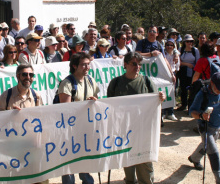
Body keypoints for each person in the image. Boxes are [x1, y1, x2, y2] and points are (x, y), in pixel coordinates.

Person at [107, 52, 166, 184]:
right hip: (123, 131)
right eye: (134, 63)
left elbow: (156, 101)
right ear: (125, 64)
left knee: (144, 162)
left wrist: (161, 98)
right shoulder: (115, 83)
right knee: (127, 161)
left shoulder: (146, 81)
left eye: (139, 64)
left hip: (143, 130)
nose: (137, 67)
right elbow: (110, 106)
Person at [57, 52, 98, 184]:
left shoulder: (91, 81)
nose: (87, 67)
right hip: (70, 130)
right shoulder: (67, 83)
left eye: (88, 64)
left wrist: (94, 101)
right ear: (75, 66)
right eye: (83, 65)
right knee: (69, 163)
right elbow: (66, 109)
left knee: (85, 159)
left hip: (86, 127)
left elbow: (98, 100)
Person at [177, 34, 199, 111]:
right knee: (183, 88)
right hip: (182, 71)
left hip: (192, 72)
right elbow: (177, 61)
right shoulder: (180, 49)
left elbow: (198, 62)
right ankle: (184, 104)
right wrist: (187, 64)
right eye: (188, 41)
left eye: (191, 41)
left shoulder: (195, 50)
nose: (189, 43)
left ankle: (191, 107)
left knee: (191, 89)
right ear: (184, 42)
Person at [163, 38, 180, 121]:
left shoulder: (176, 55)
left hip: (173, 74)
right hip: (164, 75)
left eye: (171, 45)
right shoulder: (163, 54)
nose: (169, 47)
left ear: (174, 46)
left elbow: (177, 67)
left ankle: (171, 112)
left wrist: (174, 75)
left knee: (172, 94)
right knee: (164, 93)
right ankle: (163, 113)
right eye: (167, 45)